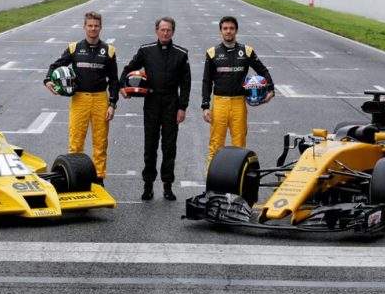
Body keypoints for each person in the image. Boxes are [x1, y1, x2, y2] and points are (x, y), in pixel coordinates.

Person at [120, 17, 191, 201]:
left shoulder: (181, 54)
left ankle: (167, 187)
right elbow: (129, 68)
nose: (165, 33)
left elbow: (186, 83)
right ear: (156, 31)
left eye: (168, 30)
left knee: (169, 147)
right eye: (162, 30)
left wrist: (182, 107)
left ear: (173, 32)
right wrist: (122, 86)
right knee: (150, 146)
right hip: (151, 102)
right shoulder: (146, 50)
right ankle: (148, 185)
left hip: (171, 103)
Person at [45, 11, 118, 185]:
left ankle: (99, 178)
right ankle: (75, 177)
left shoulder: (109, 51)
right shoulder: (74, 48)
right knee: (76, 141)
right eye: (90, 25)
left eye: (96, 26)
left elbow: (114, 80)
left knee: (100, 142)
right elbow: (56, 65)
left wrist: (112, 104)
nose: (93, 29)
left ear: (101, 27)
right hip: (79, 99)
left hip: (101, 99)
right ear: (84, 27)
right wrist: (48, 80)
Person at [201, 15, 274, 163]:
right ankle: (212, 181)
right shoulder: (212, 52)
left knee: (239, 145)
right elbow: (206, 81)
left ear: (236, 31)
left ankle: (238, 181)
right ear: (220, 31)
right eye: (225, 28)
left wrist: (271, 89)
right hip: (219, 103)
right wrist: (205, 106)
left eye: (231, 28)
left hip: (239, 103)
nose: (228, 31)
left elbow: (263, 70)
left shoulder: (246, 51)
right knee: (215, 144)